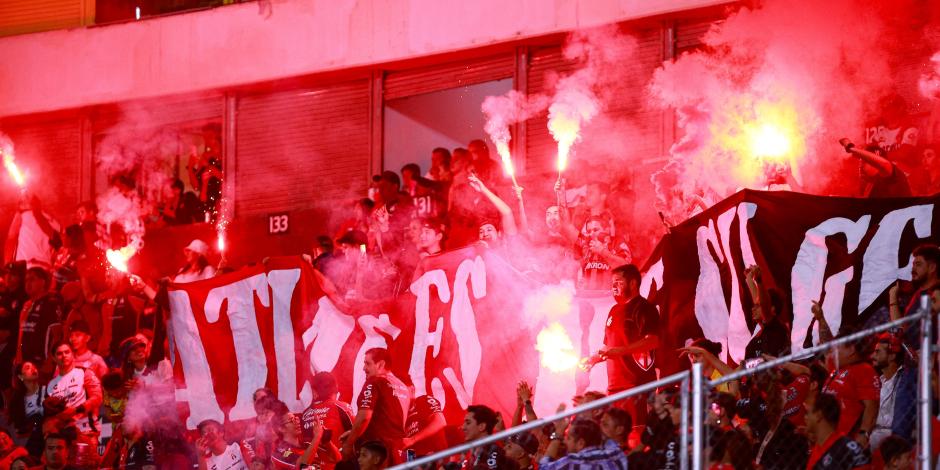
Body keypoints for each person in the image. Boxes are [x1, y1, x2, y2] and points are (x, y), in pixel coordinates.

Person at [583, 264, 660, 425]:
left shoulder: (644, 308)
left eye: (618, 281)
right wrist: (593, 359)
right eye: (612, 282)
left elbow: (653, 340)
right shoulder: (613, 311)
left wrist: (621, 351)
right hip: (614, 388)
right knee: (615, 433)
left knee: (636, 434)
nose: (613, 286)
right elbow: (607, 347)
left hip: (637, 387)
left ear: (632, 283)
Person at [340, 348, 411, 465]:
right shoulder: (403, 387)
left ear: (380, 364)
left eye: (368, 364)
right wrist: (354, 431)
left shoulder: (375, 381)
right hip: (399, 452)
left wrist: (349, 444)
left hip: (378, 452)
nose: (364, 368)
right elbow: (391, 421)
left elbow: (364, 417)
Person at [822, 329, 880, 448]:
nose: (833, 353)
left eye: (837, 348)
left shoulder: (864, 370)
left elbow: (872, 405)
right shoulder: (836, 371)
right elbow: (825, 341)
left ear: (851, 350)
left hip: (847, 442)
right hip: (827, 439)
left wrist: (864, 434)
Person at [45, 342, 102, 458]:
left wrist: (76, 410)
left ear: (72, 354)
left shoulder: (85, 372)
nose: (64, 355)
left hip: (86, 432)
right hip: (62, 438)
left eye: (67, 352)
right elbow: (49, 415)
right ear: (54, 358)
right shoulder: (51, 384)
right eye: (59, 353)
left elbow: (97, 397)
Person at [869, 333, 916, 448]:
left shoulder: (904, 380)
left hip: (892, 436)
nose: (872, 356)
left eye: (877, 352)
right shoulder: (878, 381)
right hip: (873, 433)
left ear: (892, 356)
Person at [299, 372, 350, 470]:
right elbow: (358, 436)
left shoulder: (305, 414)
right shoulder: (343, 407)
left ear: (314, 391)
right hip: (339, 465)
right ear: (336, 387)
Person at [16, 267, 65, 369]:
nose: (28, 283)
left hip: (41, 362)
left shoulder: (51, 303)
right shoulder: (26, 305)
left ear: (43, 282)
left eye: (32, 279)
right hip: (25, 361)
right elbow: (22, 333)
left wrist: (51, 361)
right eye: (26, 280)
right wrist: (18, 357)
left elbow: (57, 335)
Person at [805, 393, 870, 469]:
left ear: (818, 415)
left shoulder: (847, 447)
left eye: (807, 413)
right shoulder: (816, 451)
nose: (805, 417)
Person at [743, 265, 791, 359]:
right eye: (755, 306)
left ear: (772, 309)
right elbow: (758, 300)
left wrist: (759, 281)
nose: (753, 309)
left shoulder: (775, 328)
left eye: (758, 306)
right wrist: (749, 278)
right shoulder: (761, 332)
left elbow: (764, 306)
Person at [541, 418, 629, 469]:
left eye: (568, 438)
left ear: (581, 443)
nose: (564, 441)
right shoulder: (617, 454)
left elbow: (544, 468)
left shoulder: (573, 461)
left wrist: (558, 433)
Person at [4, 194, 60, 270]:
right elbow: (58, 238)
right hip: (44, 267)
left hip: (25, 266)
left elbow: (10, 240)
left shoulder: (21, 216)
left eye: (25, 198)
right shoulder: (49, 219)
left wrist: (7, 266)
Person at [838, 139, 912, 198]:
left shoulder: (891, 174)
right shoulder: (870, 184)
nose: (860, 165)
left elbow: (884, 164)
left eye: (864, 161)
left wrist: (850, 148)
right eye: (860, 161)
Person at [458, 404, 514, 469]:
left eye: (468, 423)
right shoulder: (472, 456)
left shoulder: (494, 452)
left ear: (482, 426)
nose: (463, 427)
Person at [7, 361, 45, 455]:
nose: (33, 369)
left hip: (48, 439)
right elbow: (19, 427)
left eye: (34, 366)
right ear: (20, 377)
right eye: (28, 368)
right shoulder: (17, 400)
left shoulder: (47, 389)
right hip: (31, 444)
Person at [402, 391, 447, 458]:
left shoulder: (423, 400)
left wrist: (412, 440)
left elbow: (440, 422)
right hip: (415, 461)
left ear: (412, 388)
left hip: (435, 455)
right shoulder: (401, 413)